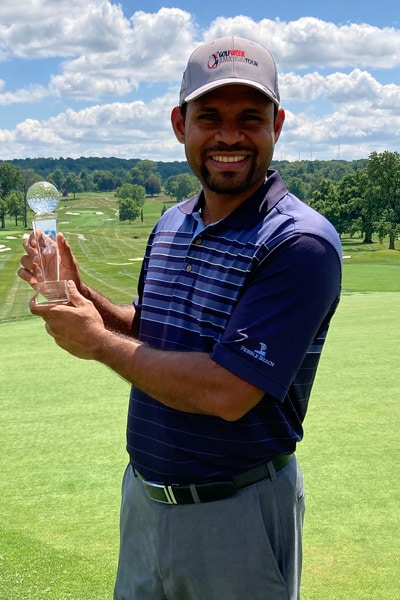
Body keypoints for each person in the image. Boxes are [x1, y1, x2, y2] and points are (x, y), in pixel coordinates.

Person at [19, 36, 342, 600]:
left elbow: (227, 392)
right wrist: (84, 296)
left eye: (251, 118)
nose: (229, 136)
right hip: (145, 501)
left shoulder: (299, 242)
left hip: (236, 511)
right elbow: (154, 334)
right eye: (210, 116)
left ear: (278, 125)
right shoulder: (172, 222)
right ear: (180, 124)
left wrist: (96, 344)